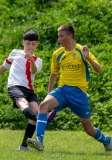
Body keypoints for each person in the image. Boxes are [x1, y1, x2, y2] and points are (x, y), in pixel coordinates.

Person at [26, 24, 112, 152]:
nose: (59, 39)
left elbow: (99, 70)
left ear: (70, 36)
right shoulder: (57, 54)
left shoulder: (82, 50)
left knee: (89, 129)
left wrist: (87, 57)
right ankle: (39, 142)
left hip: (79, 93)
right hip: (62, 90)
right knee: (43, 106)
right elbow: (54, 73)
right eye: (58, 36)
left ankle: (106, 141)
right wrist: (49, 92)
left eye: (61, 36)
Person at [0, 29, 42, 151]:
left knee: (36, 111)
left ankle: (24, 146)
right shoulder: (15, 53)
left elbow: (34, 71)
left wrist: (31, 59)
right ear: (23, 42)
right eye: (28, 43)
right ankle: (42, 122)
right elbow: (4, 67)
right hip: (15, 86)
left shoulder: (38, 60)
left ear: (37, 44)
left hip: (29, 90)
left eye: (33, 43)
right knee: (24, 105)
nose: (30, 46)